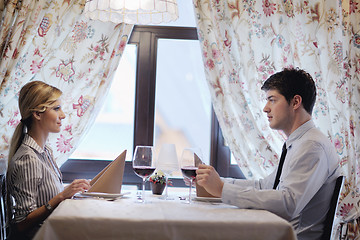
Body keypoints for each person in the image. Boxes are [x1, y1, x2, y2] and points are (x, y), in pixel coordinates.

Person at [196, 68, 341, 240]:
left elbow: (288, 203)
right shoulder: (299, 142)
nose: (265, 109)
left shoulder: (311, 145)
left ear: (295, 102)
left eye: (272, 100)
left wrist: (221, 189)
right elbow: (264, 186)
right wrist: (215, 182)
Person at [6, 81, 91, 239]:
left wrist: (74, 191)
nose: (63, 115)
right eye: (56, 109)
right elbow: (21, 223)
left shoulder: (45, 151)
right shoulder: (28, 158)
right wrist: (61, 196)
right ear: (37, 114)